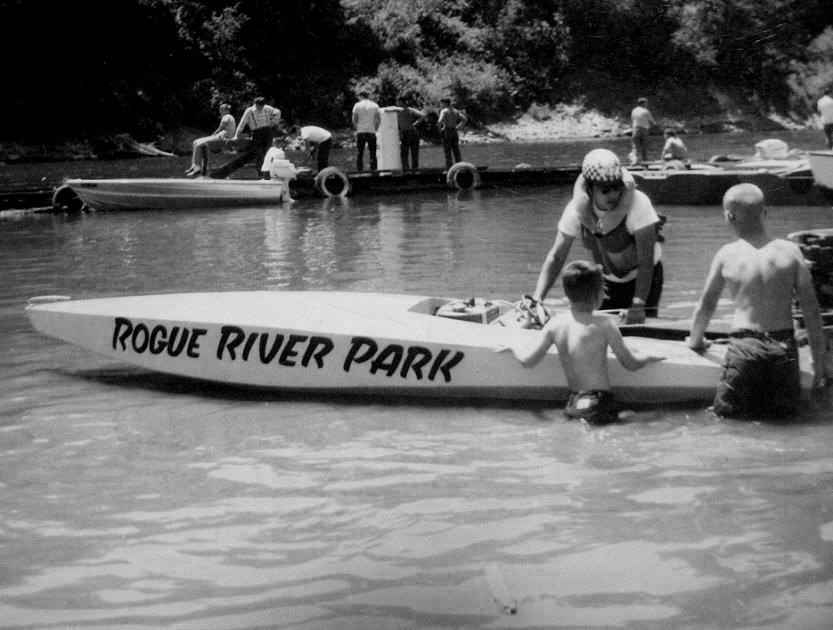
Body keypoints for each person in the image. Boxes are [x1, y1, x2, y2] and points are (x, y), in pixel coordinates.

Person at [686, 183, 828, 419]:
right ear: (765, 213)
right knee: (785, 423)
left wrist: (695, 341)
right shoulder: (791, 251)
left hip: (745, 348)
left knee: (728, 421)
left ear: (728, 217)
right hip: (783, 350)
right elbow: (811, 312)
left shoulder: (727, 254)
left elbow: (706, 306)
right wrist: (818, 362)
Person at [498, 260, 664, 425]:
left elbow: (528, 361)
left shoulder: (554, 325)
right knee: (650, 417)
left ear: (567, 292)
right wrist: (647, 356)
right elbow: (631, 363)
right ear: (598, 296)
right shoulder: (605, 325)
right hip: (598, 402)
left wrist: (514, 347)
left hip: (574, 403)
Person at [530, 148, 664, 325]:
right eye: (605, 190)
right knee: (601, 330)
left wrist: (638, 304)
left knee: (638, 328)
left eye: (617, 187)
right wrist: (537, 298)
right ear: (590, 189)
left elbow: (646, 260)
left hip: (645, 277)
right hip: (608, 281)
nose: (613, 195)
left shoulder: (639, 203)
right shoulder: (576, 210)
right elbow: (557, 256)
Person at [211, 96, 281, 179]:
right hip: (257, 133)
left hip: (267, 132)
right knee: (259, 154)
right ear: (256, 104)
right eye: (259, 106)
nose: (261, 108)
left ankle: (269, 174)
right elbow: (242, 124)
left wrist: (274, 120)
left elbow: (277, 111)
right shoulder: (250, 111)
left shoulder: (267, 108)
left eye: (262, 106)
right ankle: (261, 175)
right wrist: (236, 135)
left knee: (268, 153)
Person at [186, 103, 235, 177]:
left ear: (226, 110)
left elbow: (220, 128)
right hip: (221, 136)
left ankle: (197, 168)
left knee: (198, 144)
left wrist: (212, 136)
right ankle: (194, 165)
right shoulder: (230, 117)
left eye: (221, 110)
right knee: (195, 142)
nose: (220, 112)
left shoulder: (226, 116)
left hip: (222, 137)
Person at [261, 138, 302, 202]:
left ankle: (285, 196)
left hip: (264, 171)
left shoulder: (270, 150)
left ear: (273, 144)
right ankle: (286, 198)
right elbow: (282, 165)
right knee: (286, 179)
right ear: (280, 144)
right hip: (271, 172)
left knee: (283, 178)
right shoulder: (280, 152)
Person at [393, 95, 426, 170]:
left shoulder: (398, 110)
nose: (397, 103)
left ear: (401, 102)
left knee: (404, 154)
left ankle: (406, 171)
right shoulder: (410, 109)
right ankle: (415, 171)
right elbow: (422, 115)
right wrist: (415, 124)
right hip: (414, 132)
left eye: (398, 101)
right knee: (414, 154)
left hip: (406, 133)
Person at [351, 91, 380, 171]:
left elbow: (354, 120)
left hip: (361, 131)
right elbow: (378, 119)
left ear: (361, 96)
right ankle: (374, 171)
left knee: (360, 153)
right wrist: (375, 129)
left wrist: (357, 129)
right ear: (368, 96)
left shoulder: (357, 105)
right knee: (373, 153)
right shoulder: (375, 105)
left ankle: (360, 171)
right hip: (371, 132)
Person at [437, 97, 467, 168]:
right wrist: (458, 127)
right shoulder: (455, 111)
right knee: (456, 151)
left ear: (445, 103)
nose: (440, 105)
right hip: (454, 132)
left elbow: (439, 122)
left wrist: (440, 130)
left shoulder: (444, 111)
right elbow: (465, 120)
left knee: (448, 152)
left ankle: (449, 169)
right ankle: (460, 168)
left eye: (441, 103)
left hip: (447, 132)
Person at [630, 97, 656, 164]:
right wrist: (653, 125)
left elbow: (632, 120)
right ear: (643, 103)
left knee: (635, 146)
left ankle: (634, 160)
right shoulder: (645, 111)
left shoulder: (634, 110)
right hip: (644, 129)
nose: (647, 104)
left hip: (635, 129)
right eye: (646, 103)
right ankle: (645, 162)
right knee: (644, 146)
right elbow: (652, 121)